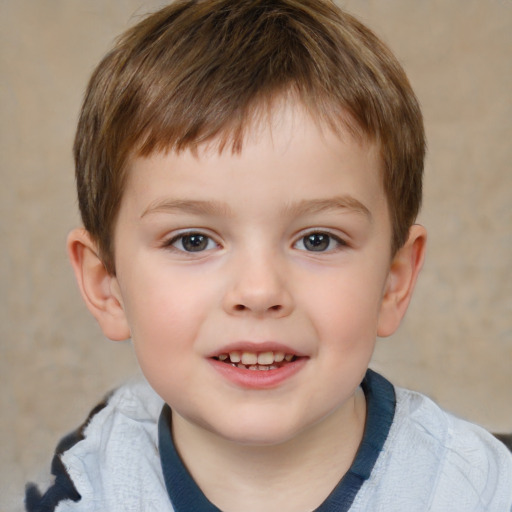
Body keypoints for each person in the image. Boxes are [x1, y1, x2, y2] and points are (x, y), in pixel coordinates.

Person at [25, 1, 512, 511]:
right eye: (193, 240)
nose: (259, 292)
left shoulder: (474, 492)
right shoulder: (85, 488)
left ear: (394, 280)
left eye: (318, 240)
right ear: (108, 284)